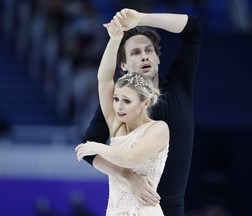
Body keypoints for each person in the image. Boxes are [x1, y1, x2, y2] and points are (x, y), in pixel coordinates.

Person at [81, 8, 201, 215]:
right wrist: (127, 177)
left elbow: (192, 28)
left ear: (158, 58)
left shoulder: (179, 85)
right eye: (136, 52)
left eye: (149, 50)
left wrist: (142, 18)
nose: (145, 56)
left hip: (169, 209)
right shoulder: (118, 106)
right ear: (123, 65)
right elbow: (89, 151)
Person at [75, 17, 170, 215]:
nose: (118, 106)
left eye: (126, 101)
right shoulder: (117, 126)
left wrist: (96, 146)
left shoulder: (159, 128)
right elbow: (104, 79)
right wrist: (115, 39)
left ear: (144, 103)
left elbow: (132, 158)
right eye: (116, 99)